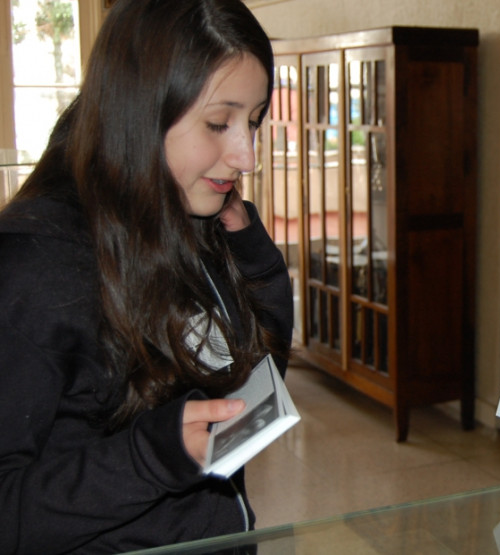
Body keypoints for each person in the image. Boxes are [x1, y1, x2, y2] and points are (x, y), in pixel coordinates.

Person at [0, 0, 294, 552]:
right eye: (218, 123)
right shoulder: (33, 268)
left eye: (252, 121)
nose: (247, 156)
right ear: (140, 111)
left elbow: (252, 375)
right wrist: (147, 459)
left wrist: (256, 258)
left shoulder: (188, 216)